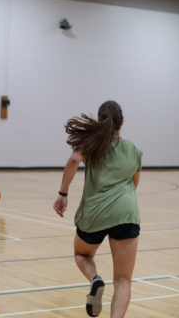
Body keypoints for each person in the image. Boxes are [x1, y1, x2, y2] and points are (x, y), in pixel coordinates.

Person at [53, 101, 142, 318]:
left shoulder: (92, 144)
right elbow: (135, 182)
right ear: (122, 122)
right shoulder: (134, 150)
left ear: (100, 122)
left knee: (81, 254)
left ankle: (95, 280)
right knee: (123, 280)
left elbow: (74, 159)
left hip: (94, 213)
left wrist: (63, 193)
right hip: (126, 214)